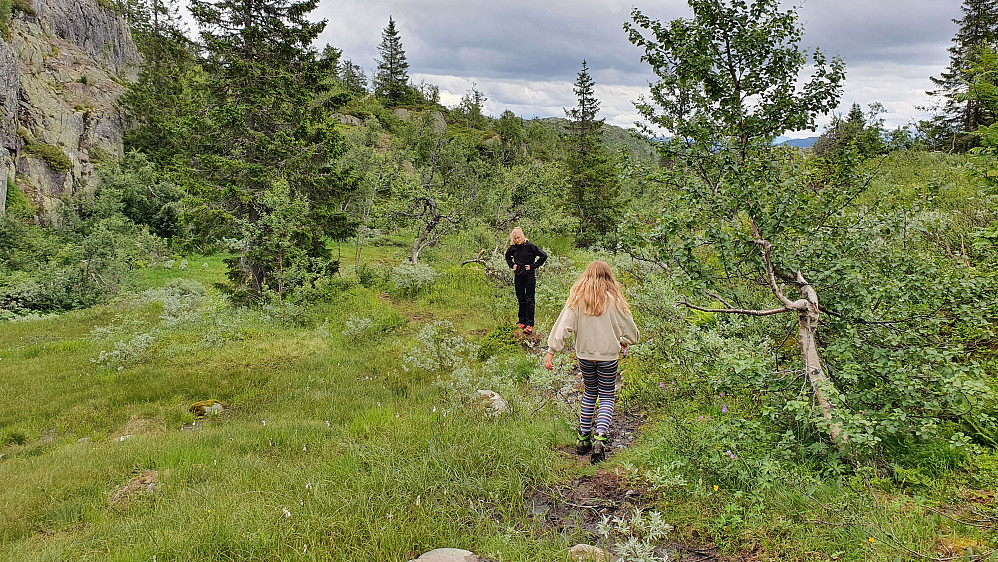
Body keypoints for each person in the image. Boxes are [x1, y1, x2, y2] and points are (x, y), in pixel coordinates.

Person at [544, 261, 638, 464]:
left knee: (589, 393)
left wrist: (552, 350)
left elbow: (563, 326)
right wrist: (623, 340)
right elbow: (632, 333)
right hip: (608, 357)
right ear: (609, 278)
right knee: (606, 395)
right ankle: (600, 439)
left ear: (586, 276)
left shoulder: (577, 299)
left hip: (585, 355)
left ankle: (583, 438)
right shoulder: (616, 301)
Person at [504, 227, 547, 334]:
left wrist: (533, 266)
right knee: (521, 298)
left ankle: (529, 325)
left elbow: (543, 255)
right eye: (515, 238)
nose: (517, 240)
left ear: (522, 236)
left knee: (529, 299)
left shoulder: (530, 246)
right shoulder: (513, 247)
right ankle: (522, 321)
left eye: (518, 238)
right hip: (518, 275)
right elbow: (507, 256)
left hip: (529, 276)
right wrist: (512, 265)